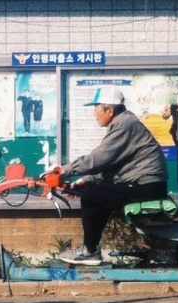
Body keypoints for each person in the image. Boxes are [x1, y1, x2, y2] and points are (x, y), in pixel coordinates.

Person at [59, 85, 167, 265]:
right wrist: (86, 180)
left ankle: (90, 251)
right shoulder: (125, 122)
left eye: (96, 109)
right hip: (145, 184)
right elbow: (114, 166)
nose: (94, 114)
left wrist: (63, 171)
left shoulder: (124, 125)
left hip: (147, 186)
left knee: (92, 196)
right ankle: (90, 248)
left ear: (109, 110)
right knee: (91, 191)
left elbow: (99, 158)